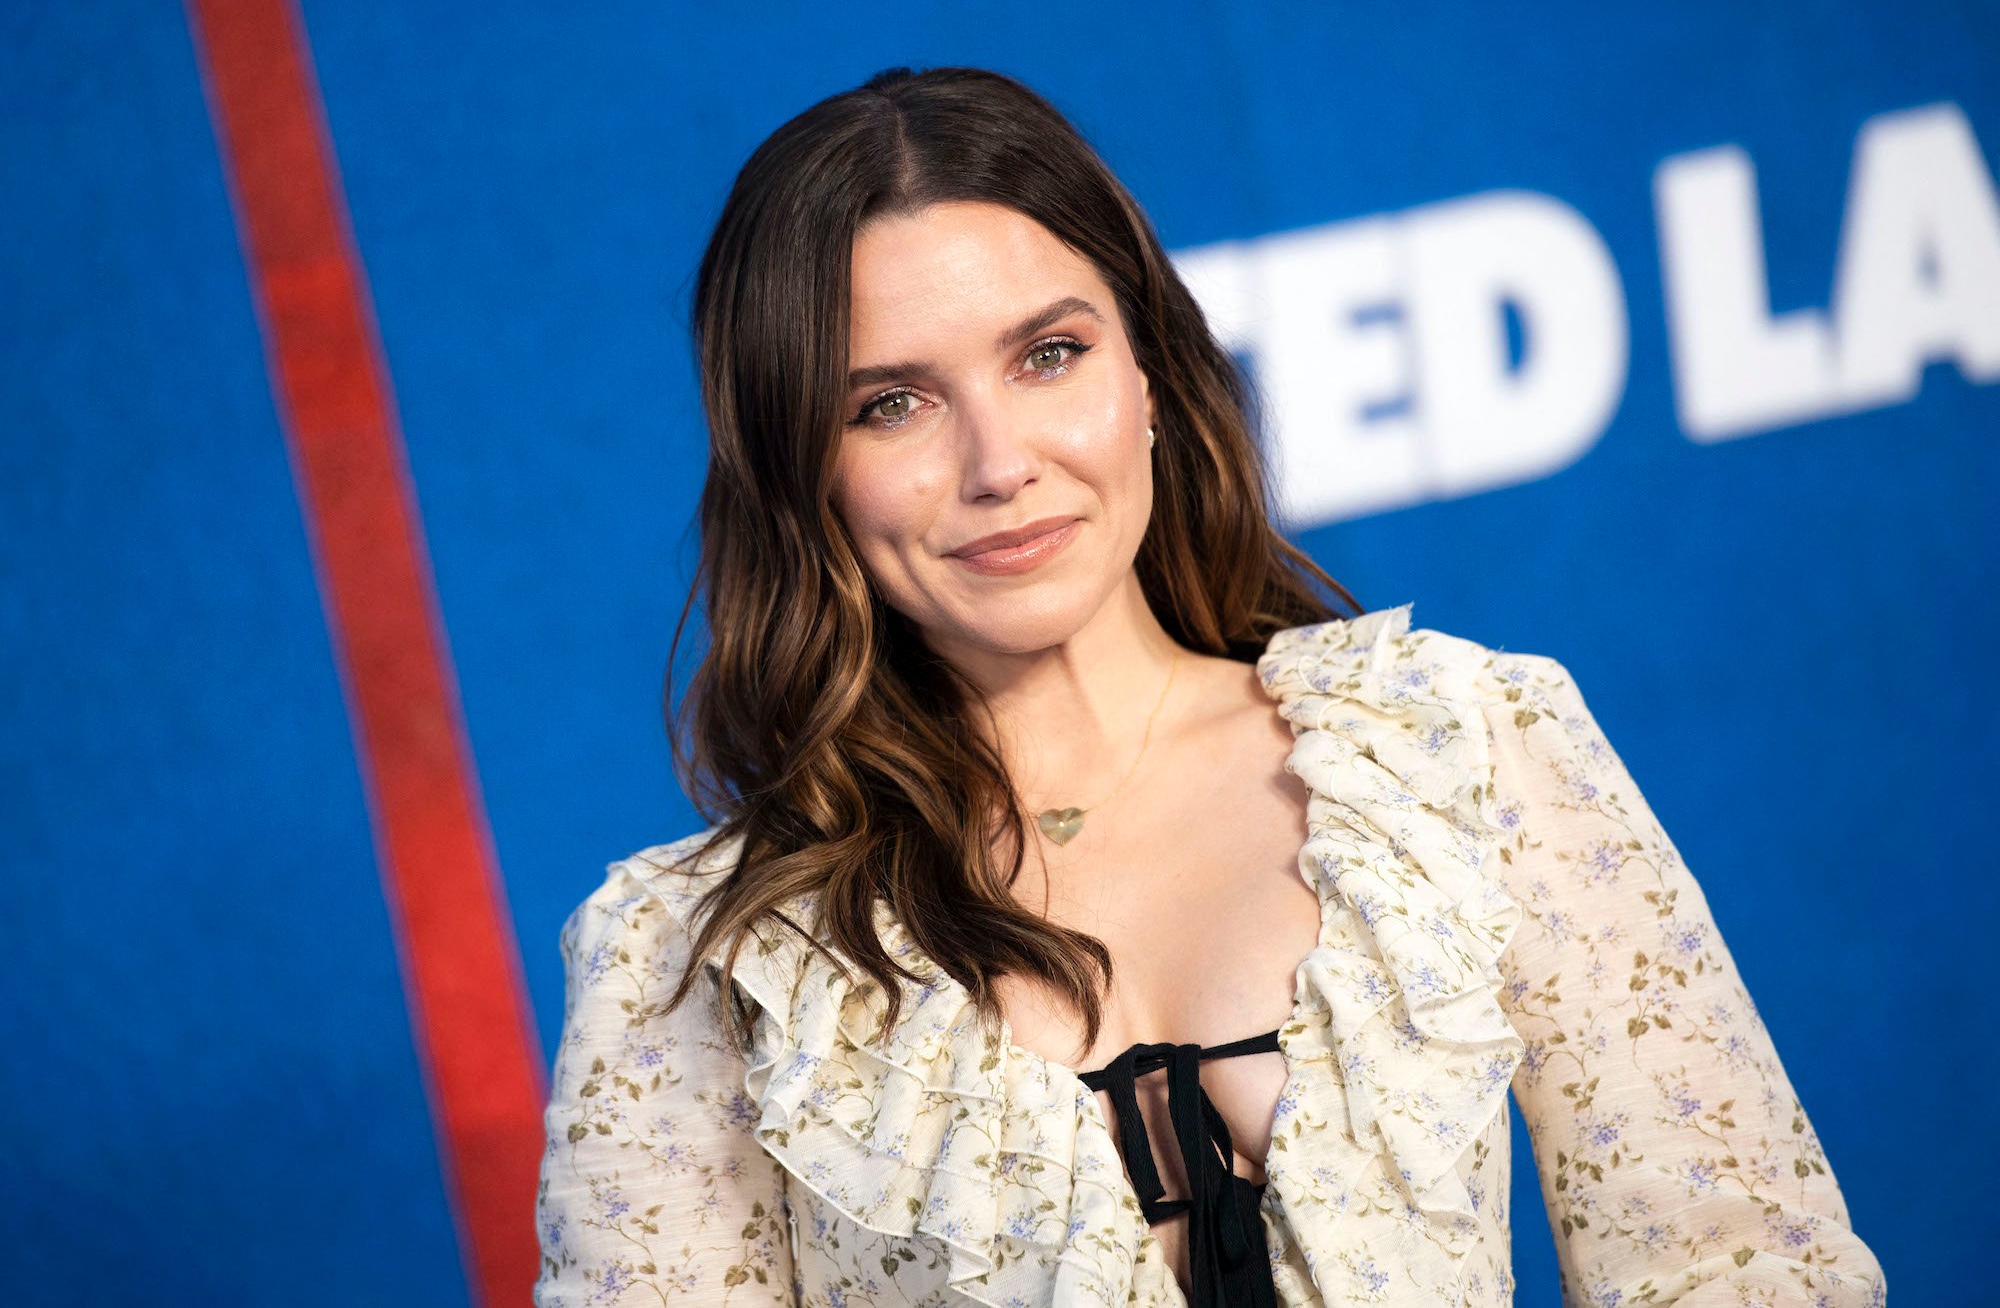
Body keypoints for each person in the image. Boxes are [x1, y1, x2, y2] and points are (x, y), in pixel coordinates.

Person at [532, 66, 1884, 1307]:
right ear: (799, 473)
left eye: (1046, 354)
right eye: (890, 402)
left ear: (1152, 375)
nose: (1000, 459)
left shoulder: (1461, 740)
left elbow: (1742, 1265)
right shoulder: (697, 962)